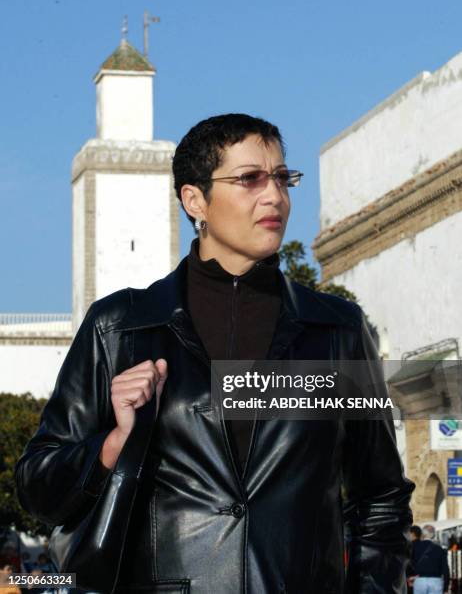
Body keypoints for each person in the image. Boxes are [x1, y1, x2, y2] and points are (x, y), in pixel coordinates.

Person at [15, 113, 415, 593]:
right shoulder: (120, 327)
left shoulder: (337, 330)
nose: (275, 196)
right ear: (194, 199)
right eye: (250, 179)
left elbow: (381, 497)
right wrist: (113, 445)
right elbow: (37, 486)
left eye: (283, 178)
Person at [408, 524, 450, 594]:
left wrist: (409, 577)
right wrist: (446, 588)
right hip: (436, 582)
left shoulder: (414, 547)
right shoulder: (440, 549)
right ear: (433, 535)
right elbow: (445, 570)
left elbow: (408, 563)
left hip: (419, 581)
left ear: (422, 534)